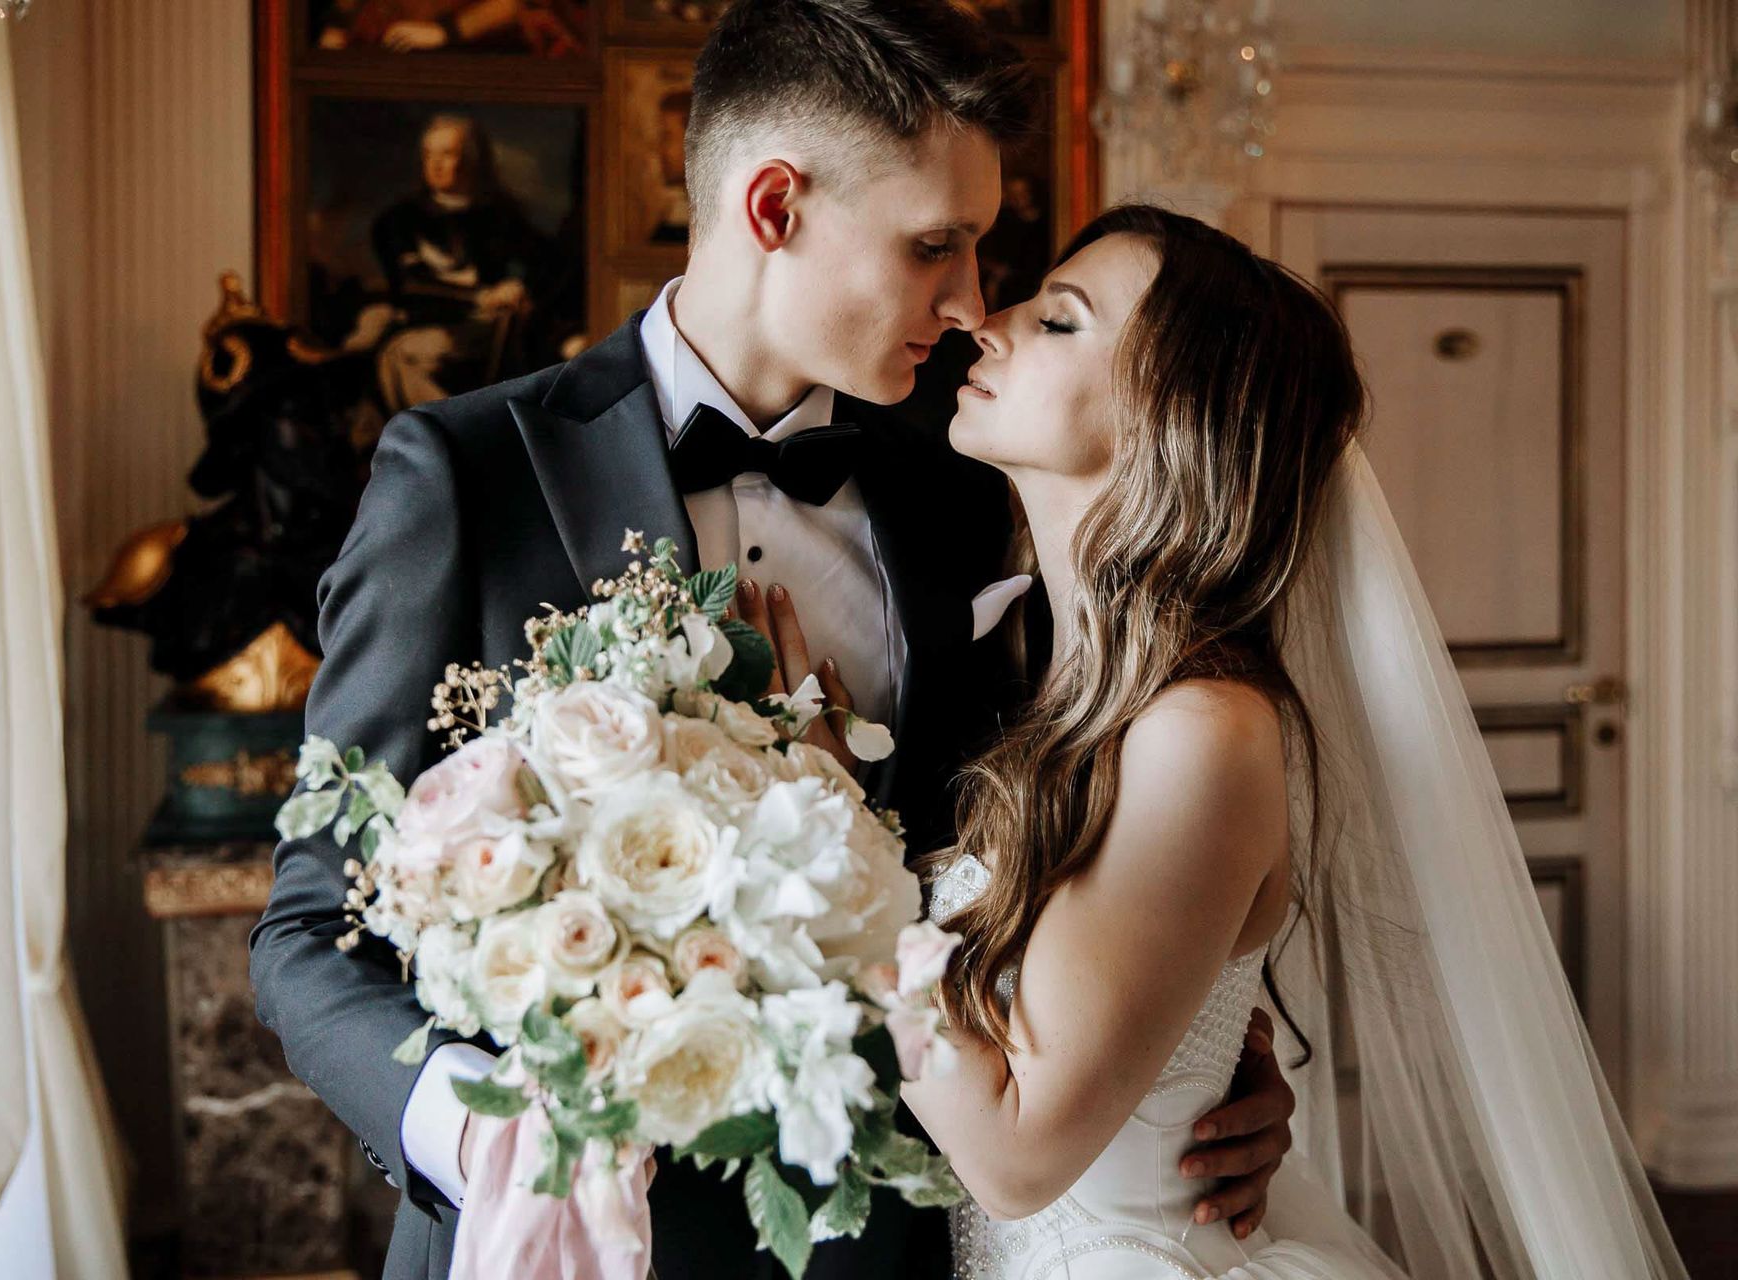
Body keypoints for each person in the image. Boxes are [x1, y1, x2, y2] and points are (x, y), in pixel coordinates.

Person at [248, 3, 1299, 1278]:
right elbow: (313, 930)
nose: (973, 302)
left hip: (896, 1245)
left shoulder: (969, 490)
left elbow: (1060, 862)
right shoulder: (466, 474)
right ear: (774, 208)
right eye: (936, 245)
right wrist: (487, 1141)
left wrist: (1190, 1063)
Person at [876, 204, 1686, 1279]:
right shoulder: (1041, 672)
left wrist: (820, 842)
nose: (992, 321)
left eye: (1061, 320)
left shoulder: (1200, 731)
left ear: (1173, 416)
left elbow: (1021, 1154)